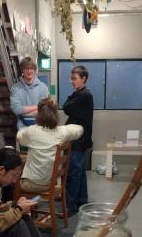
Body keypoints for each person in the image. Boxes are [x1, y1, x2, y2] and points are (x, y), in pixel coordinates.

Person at [17, 97, 83, 192]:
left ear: (39, 114)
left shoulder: (31, 131)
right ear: (55, 114)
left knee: (11, 177)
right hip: (52, 183)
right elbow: (79, 129)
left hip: (31, 185)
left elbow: (19, 136)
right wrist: (63, 128)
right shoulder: (62, 132)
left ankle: (20, 205)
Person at [63, 65, 94, 216]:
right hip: (80, 140)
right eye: (72, 78)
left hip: (78, 141)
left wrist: (72, 95)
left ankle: (71, 205)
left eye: (75, 79)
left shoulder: (83, 95)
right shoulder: (82, 94)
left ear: (83, 79)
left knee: (73, 173)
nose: (72, 81)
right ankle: (81, 200)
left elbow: (66, 108)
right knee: (79, 172)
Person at [10, 57, 49, 130]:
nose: (29, 71)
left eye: (31, 68)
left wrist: (24, 113)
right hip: (22, 128)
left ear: (34, 70)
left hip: (40, 127)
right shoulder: (15, 88)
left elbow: (45, 109)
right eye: (26, 68)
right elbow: (16, 110)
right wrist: (38, 106)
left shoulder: (43, 87)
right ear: (22, 70)